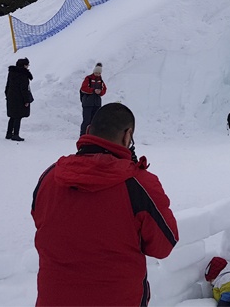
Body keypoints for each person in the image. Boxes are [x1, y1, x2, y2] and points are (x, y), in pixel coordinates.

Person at [32, 102, 178, 306]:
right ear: (128, 136)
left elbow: (42, 222)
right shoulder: (139, 185)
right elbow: (164, 245)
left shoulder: (49, 177)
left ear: (89, 130)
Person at [5, 57, 33, 141]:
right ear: (24, 65)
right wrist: (26, 100)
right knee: (18, 116)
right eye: (27, 65)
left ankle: (9, 133)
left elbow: (7, 85)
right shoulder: (23, 74)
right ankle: (16, 134)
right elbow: (24, 89)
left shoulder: (12, 72)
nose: (28, 67)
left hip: (11, 97)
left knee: (12, 116)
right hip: (19, 99)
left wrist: (7, 95)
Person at [79, 62, 107, 138]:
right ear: (94, 71)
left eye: (99, 73)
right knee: (86, 120)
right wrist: (93, 90)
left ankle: (92, 135)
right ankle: (83, 135)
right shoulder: (88, 78)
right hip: (87, 103)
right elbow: (83, 88)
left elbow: (104, 90)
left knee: (94, 121)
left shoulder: (101, 81)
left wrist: (100, 92)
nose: (97, 74)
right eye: (96, 73)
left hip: (96, 103)